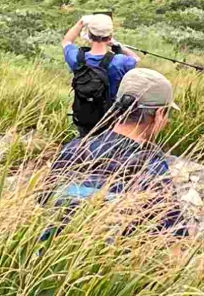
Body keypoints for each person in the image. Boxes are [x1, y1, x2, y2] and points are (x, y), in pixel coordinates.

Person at [40, 67, 188, 240]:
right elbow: (172, 238)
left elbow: (44, 200)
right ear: (159, 114)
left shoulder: (73, 148)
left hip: (51, 253)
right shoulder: (153, 168)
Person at [62, 13, 139, 136]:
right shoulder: (119, 61)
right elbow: (135, 58)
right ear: (110, 36)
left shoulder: (77, 58)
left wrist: (81, 22)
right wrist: (117, 45)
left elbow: (66, 41)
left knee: (85, 147)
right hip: (111, 120)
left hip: (84, 118)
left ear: (89, 35)